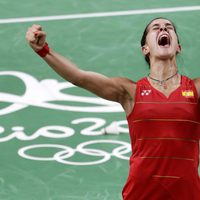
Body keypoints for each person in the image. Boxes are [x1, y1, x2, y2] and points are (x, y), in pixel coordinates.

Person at [26, 17, 200, 199]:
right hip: (141, 194)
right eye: (156, 28)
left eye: (168, 27)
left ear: (178, 46)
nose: (163, 28)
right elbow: (79, 77)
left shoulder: (194, 90)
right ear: (145, 49)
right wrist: (43, 50)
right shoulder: (131, 91)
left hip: (188, 194)